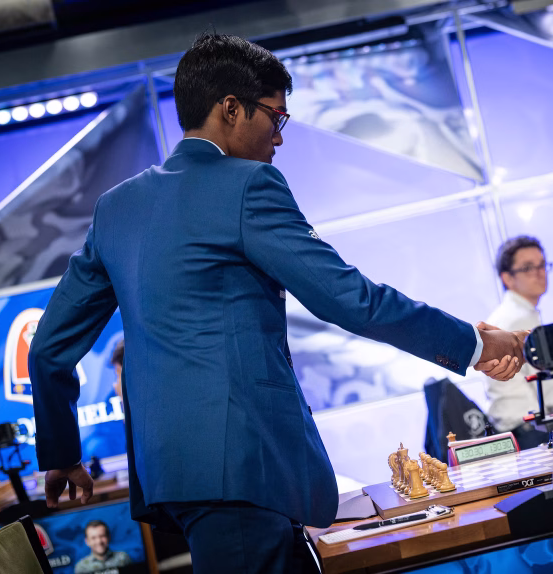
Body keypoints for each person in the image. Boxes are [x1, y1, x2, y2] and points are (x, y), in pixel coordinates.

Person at [28, 33, 525, 574]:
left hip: (175, 471)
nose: (279, 138)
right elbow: (347, 298)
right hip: (244, 464)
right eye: (276, 117)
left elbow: (50, 348)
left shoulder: (116, 209)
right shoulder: (247, 185)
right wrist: (472, 343)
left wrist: (60, 453)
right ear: (231, 108)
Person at [483, 236, 553, 448]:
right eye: (528, 267)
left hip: (513, 428)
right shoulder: (518, 318)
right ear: (507, 278)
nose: (539, 272)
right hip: (529, 431)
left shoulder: (512, 312)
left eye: (542, 264)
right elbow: (546, 380)